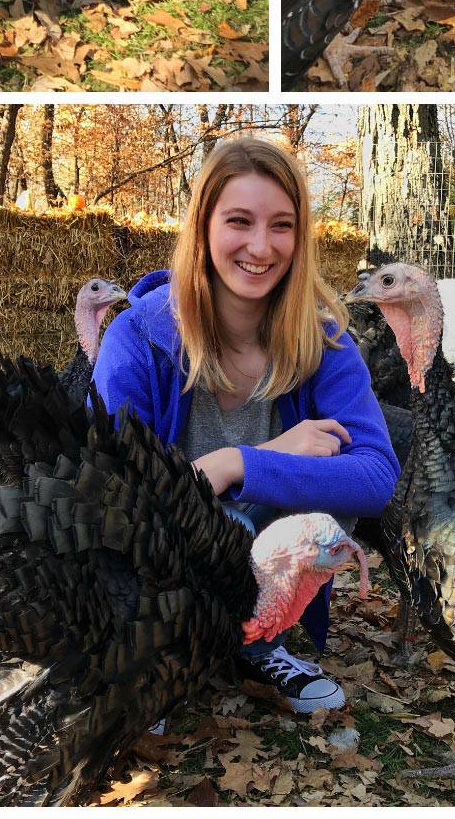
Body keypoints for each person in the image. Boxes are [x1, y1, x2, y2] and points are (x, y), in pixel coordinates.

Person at [91, 137, 399, 714]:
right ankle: (154, 658)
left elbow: (376, 475)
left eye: (282, 226)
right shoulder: (136, 341)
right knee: (221, 517)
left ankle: (258, 644)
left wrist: (239, 465)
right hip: (157, 567)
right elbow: (113, 493)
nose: (261, 247)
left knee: (318, 487)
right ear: (203, 226)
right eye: (239, 221)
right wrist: (261, 454)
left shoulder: (324, 342)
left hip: (257, 561)